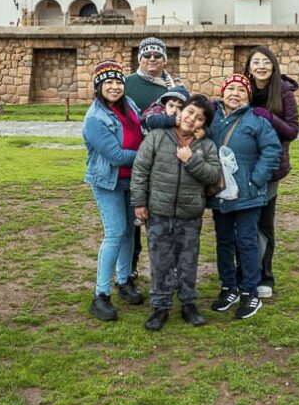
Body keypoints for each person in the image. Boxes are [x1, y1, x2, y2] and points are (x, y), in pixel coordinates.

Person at [131, 95, 221, 331]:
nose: (192, 119)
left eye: (199, 118)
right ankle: (160, 306)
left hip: (190, 214)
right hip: (159, 212)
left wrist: (191, 160)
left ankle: (189, 304)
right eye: (190, 112)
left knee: (188, 261)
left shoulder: (206, 145)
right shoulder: (157, 137)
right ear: (181, 111)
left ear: (203, 124)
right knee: (160, 261)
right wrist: (139, 202)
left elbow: (213, 175)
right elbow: (140, 170)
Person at [208, 74, 281, 320]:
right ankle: (229, 286)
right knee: (224, 241)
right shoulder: (213, 119)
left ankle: (250, 291)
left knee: (247, 241)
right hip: (220, 193)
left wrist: (256, 179)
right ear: (222, 93)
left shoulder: (256, 120)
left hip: (248, 193)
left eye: (241, 90)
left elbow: (271, 149)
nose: (235, 93)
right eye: (231, 89)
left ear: (248, 96)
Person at [82, 60, 145, 322]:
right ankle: (101, 295)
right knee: (115, 232)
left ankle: (124, 279)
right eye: (108, 82)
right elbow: (117, 156)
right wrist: (149, 155)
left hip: (132, 180)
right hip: (108, 182)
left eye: (118, 81)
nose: (115, 86)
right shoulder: (95, 119)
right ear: (98, 86)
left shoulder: (128, 105)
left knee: (130, 230)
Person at [243, 46, 299, 299]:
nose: (261, 66)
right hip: (243, 166)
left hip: (271, 167)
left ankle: (265, 276)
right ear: (249, 67)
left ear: (274, 66)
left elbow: (292, 131)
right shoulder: (242, 89)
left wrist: (268, 117)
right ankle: (244, 272)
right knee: (243, 223)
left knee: (263, 223)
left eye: (266, 62)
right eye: (256, 62)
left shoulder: (284, 93)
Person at [124, 37, 180, 279]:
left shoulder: (174, 86)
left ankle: (168, 268)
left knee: (164, 219)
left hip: (167, 160)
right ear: (140, 58)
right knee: (134, 217)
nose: (152, 59)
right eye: (147, 55)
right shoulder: (127, 84)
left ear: (165, 58)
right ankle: (130, 266)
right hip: (137, 155)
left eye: (158, 55)